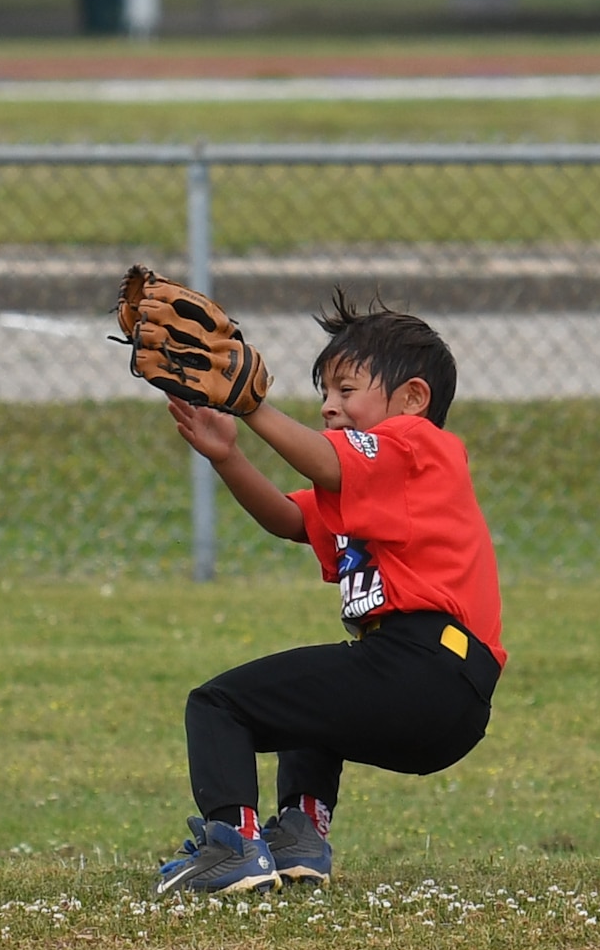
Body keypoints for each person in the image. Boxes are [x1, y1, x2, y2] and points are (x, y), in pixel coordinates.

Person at [154, 293, 505, 894]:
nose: (328, 406)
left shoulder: (417, 446)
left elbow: (328, 466)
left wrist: (254, 406)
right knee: (314, 704)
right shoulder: (382, 484)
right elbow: (293, 521)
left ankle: (232, 844)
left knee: (218, 706)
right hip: (450, 695)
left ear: (413, 399)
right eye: (325, 393)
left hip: (424, 662)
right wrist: (228, 455)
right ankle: (299, 837)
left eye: (347, 390)